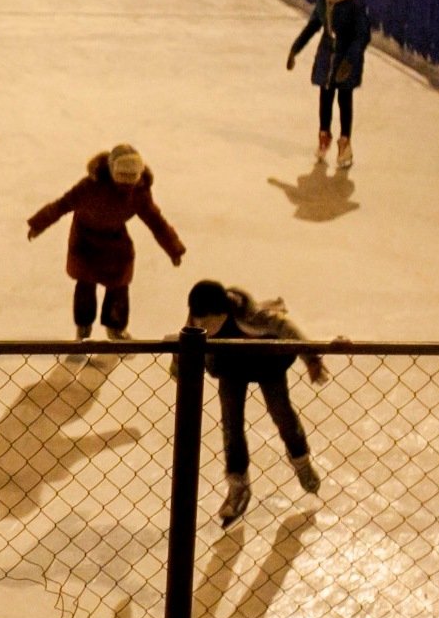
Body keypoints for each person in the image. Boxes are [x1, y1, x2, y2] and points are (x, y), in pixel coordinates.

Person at [184, 279, 328, 526]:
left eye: (207, 323)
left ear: (222, 314)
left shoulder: (254, 318)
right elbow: (187, 338)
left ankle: (301, 460)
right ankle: (238, 484)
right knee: (231, 424)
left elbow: (287, 328)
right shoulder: (199, 316)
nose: (202, 327)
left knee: (281, 412)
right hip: (231, 366)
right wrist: (180, 365)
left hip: (267, 364)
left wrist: (312, 360)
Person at [27, 144, 185, 342]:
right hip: (84, 240)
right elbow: (63, 204)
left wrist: (174, 248)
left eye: (132, 177)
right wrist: (38, 224)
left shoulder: (139, 192)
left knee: (119, 283)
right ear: (111, 171)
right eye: (122, 175)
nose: (127, 183)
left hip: (114, 241)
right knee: (85, 284)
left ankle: (115, 327)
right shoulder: (90, 186)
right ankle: (83, 328)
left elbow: (155, 220)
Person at [287, 0, 367, 170]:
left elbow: (362, 36)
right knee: (325, 95)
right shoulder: (325, 1)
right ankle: (324, 135)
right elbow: (313, 25)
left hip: (345, 58)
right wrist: (295, 48)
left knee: (344, 98)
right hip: (326, 55)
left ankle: (345, 141)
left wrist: (350, 61)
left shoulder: (355, 5)